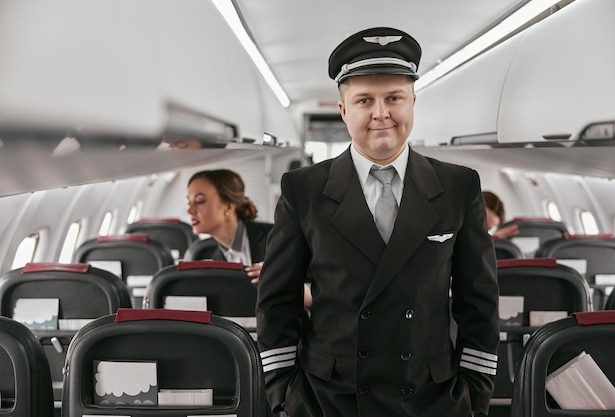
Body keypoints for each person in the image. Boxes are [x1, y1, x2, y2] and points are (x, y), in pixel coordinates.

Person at [256, 27, 499, 417]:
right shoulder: (304, 189)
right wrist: (282, 396)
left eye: (394, 98)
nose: (381, 113)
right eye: (365, 100)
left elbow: (479, 304)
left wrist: (475, 398)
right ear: (343, 111)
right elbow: (277, 303)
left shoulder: (458, 186)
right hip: (328, 400)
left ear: (413, 103)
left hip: (432, 399)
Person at [186, 169, 272, 281]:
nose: (190, 210)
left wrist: (280, 281)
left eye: (200, 201)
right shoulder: (212, 255)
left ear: (229, 206)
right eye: (189, 202)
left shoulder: (276, 237)